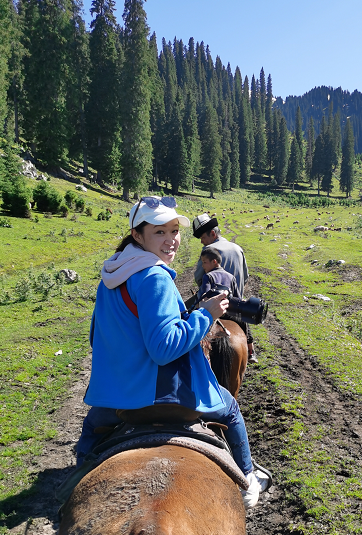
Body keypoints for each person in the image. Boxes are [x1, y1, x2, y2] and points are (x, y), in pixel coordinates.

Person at [76, 196, 271, 508]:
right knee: (231, 410)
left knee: (90, 428)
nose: (171, 241)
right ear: (137, 235)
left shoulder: (111, 275)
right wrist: (205, 314)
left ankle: (77, 485)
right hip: (162, 394)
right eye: (159, 233)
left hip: (118, 395)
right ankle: (249, 478)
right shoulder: (154, 276)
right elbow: (164, 349)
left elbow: (95, 337)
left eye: (174, 231)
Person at [192, 213, 258, 363]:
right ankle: (251, 349)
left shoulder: (209, 250)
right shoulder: (238, 248)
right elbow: (246, 276)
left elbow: (198, 278)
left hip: (215, 304)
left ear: (212, 234)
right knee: (243, 322)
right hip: (235, 305)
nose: (202, 242)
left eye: (202, 238)